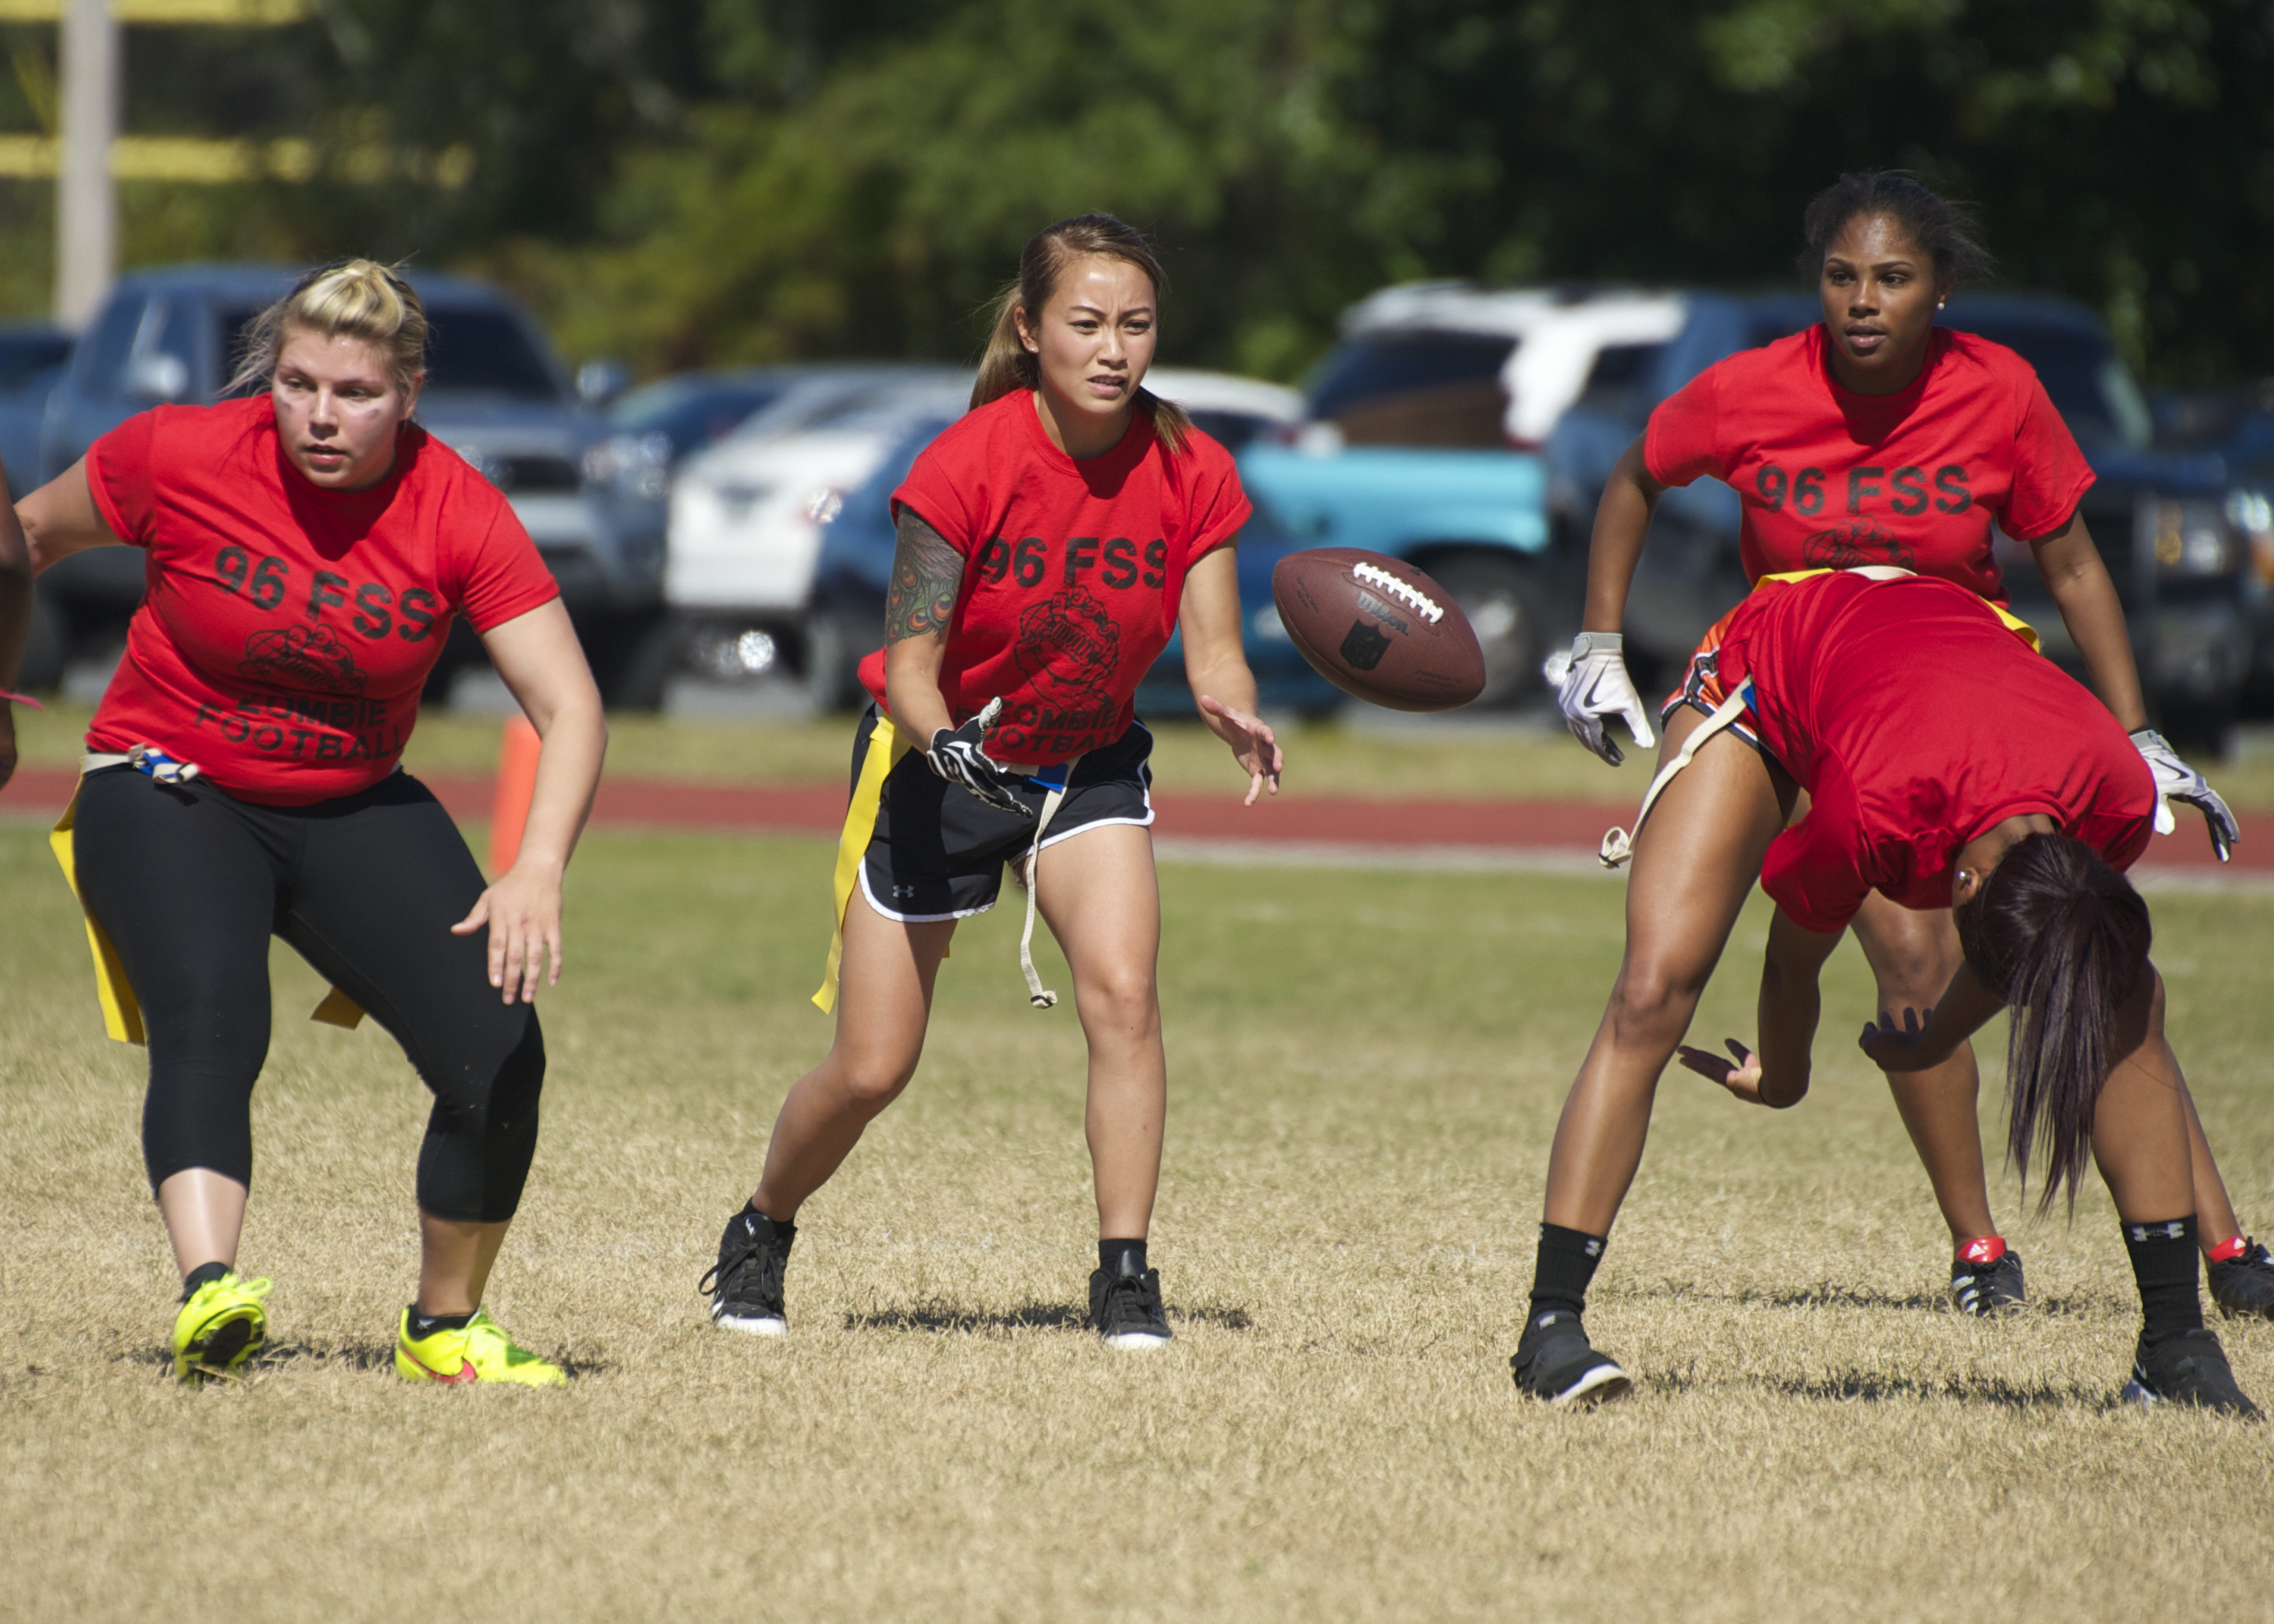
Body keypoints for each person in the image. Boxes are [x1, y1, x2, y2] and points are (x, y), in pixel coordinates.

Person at [1550, 171, 2273, 1321]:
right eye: (1841, 277)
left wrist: (2137, 730)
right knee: (1901, 968)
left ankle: (2226, 1253)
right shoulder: (1750, 388)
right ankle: (1979, 1243)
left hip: (1949, 690)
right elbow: (1636, 474)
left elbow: (2072, 562)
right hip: (1797, 683)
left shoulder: (1998, 390)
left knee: (2080, 949)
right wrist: (1595, 639)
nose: (1863, 301)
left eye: (1892, 277)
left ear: (1940, 289)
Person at [700, 215, 1282, 1349]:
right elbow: (911, 666)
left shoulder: (1188, 462)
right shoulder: (967, 461)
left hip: (1087, 763)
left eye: (1136, 324)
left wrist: (1230, 702)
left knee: (1122, 997)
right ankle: (762, 1227)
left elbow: (1215, 648)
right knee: (873, 1065)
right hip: (943, 766)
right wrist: (946, 744)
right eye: (1086, 323)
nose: (1114, 349)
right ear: (1029, 329)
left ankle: (1124, 1274)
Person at [23, 261, 607, 1385]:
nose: (321, 416)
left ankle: (444, 1327)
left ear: (410, 395)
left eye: (355, 392)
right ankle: (210, 1293)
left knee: (498, 1050)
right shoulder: (178, 453)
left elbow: (570, 701)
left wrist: (535, 868)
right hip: (167, 778)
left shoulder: (456, 505)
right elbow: (24, 541)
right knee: (212, 1011)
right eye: (298, 385)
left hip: (349, 796)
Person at [1515, 567, 2257, 1414]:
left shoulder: (2115, 790)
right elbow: (1793, 955)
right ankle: (1549, 1328)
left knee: (2125, 994)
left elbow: (2047, 929)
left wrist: (1937, 1036)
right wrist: (1784, 1079)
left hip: (1934, 651)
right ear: (1964, 891)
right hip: (1769, 664)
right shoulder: (1874, 810)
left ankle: (2175, 1344)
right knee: (1653, 990)